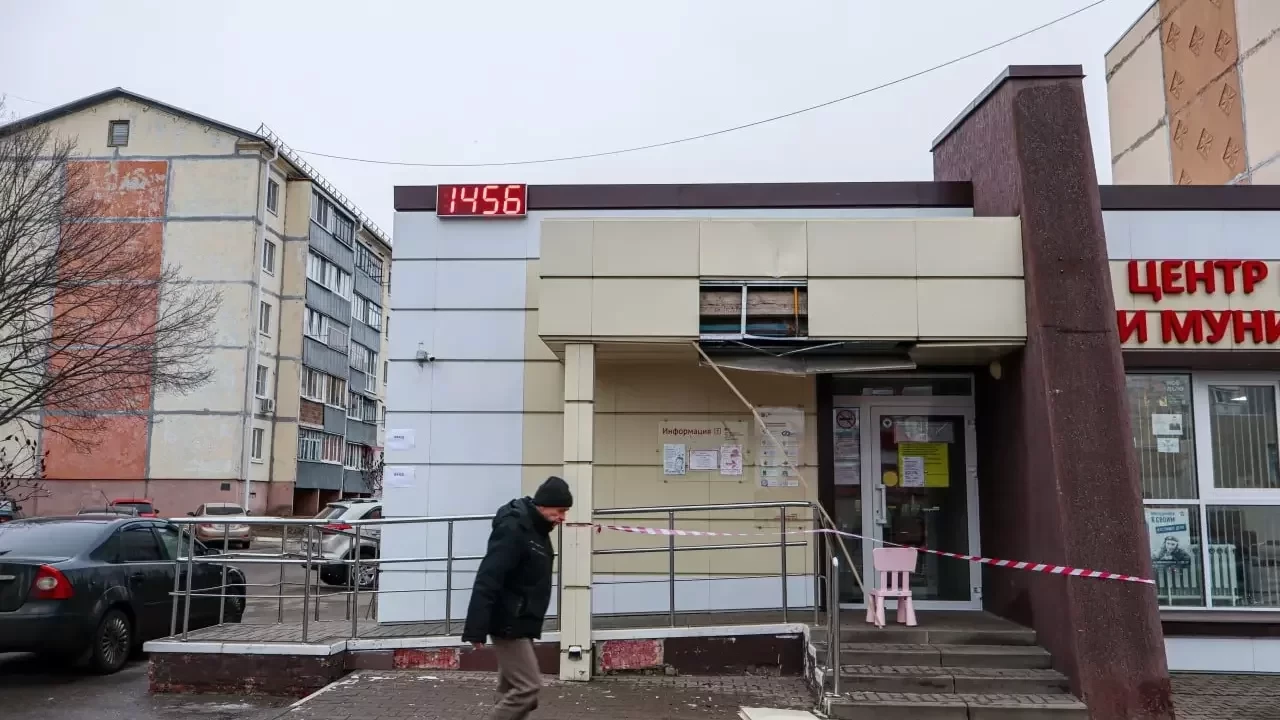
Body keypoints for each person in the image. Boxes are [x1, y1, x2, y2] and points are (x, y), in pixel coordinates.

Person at [462, 475, 573, 720]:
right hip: (508, 623)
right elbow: (488, 576)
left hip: (522, 621)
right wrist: (475, 628)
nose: (563, 517)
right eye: (560, 511)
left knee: (511, 691)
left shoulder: (538, 529)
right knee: (527, 689)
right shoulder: (515, 528)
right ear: (544, 505)